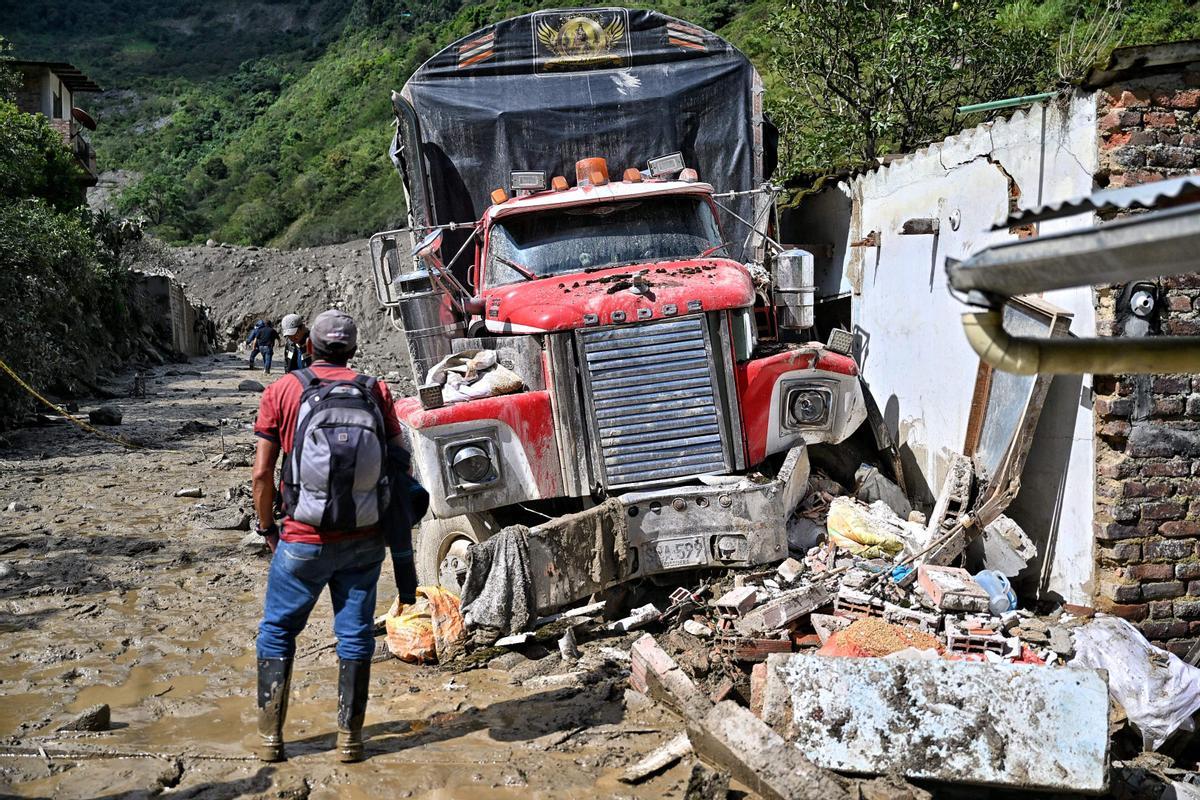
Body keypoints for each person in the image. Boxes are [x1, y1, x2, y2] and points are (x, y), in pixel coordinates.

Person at [250, 309, 405, 764]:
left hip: (301, 537)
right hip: (364, 536)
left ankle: (270, 741)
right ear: (354, 349)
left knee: (278, 632)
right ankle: (350, 741)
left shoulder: (282, 390)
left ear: (307, 346)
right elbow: (399, 463)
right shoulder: (376, 390)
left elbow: (262, 474)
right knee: (355, 637)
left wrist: (267, 529)